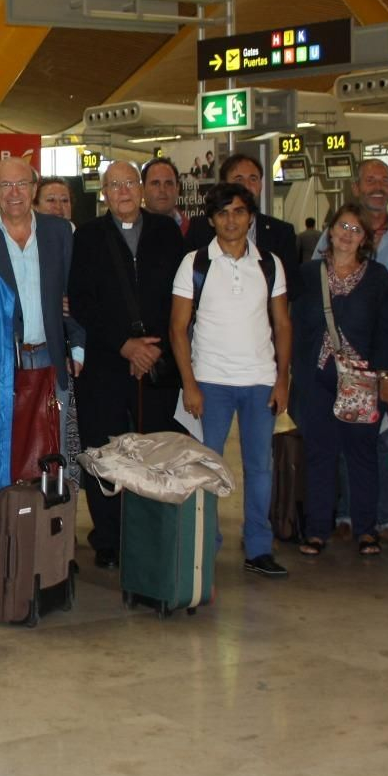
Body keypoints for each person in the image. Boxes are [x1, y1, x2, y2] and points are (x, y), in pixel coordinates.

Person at [169, 183, 292, 579]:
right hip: (210, 382)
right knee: (206, 468)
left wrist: (283, 379)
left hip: (260, 380)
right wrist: (189, 383)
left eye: (239, 211)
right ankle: (205, 545)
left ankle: (259, 548)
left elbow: (283, 324)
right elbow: (177, 327)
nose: (231, 220)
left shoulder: (269, 263)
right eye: (223, 213)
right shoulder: (194, 263)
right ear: (211, 220)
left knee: (260, 468)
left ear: (250, 216)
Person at [0, 157, 83, 534]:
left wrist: (77, 345)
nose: (15, 193)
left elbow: (73, 294)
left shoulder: (60, 232)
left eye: (22, 185)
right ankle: (9, 536)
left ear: (34, 188)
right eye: (5, 186)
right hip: (2, 367)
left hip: (52, 360)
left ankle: (53, 541)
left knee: (53, 451)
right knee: (6, 452)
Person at [69, 160, 185, 568]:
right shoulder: (87, 237)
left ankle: (150, 532)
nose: (123, 191)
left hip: (155, 362)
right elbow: (81, 300)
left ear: (141, 188)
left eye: (129, 183)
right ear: (103, 193)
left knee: (153, 452)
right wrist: (124, 345)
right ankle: (108, 537)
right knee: (104, 452)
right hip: (105, 363)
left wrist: (151, 348)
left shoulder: (166, 233)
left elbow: (179, 296)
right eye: (114, 185)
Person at [324, 158, 388, 543]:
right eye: (371, 180)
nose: (378, 186)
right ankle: (349, 514)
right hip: (346, 360)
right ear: (356, 188)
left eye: (384, 180)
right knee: (351, 440)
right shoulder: (333, 237)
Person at [290, 202, 388, 556]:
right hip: (316, 378)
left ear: (365, 238)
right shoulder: (307, 274)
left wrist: (384, 377)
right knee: (320, 453)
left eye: (356, 230)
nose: (348, 235)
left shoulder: (378, 278)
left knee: (361, 454)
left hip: (361, 381)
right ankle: (318, 528)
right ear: (330, 229)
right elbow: (292, 325)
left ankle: (366, 529)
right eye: (342, 227)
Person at [185, 152, 300, 297]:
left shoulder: (281, 232)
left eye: (253, 179)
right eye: (239, 179)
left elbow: (291, 291)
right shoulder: (200, 228)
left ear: (261, 184)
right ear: (224, 184)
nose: (247, 186)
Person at [140, 158, 191, 236]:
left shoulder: (195, 232)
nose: (162, 190)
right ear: (142, 189)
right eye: (155, 183)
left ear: (177, 189)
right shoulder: (128, 232)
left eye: (168, 183)